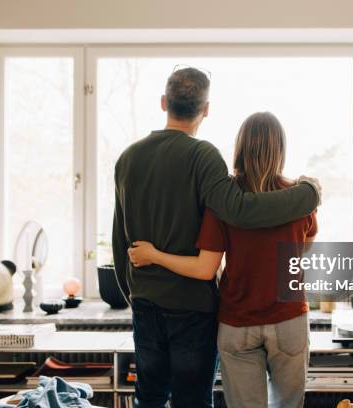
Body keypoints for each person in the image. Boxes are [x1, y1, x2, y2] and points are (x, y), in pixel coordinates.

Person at [112, 67, 320, 408]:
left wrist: (135, 294)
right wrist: (307, 193)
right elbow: (241, 211)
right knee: (193, 400)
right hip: (196, 308)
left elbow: (120, 239)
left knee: (148, 398)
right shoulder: (202, 155)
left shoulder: (127, 158)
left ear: (164, 102)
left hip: (152, 305)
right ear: (205, 109)